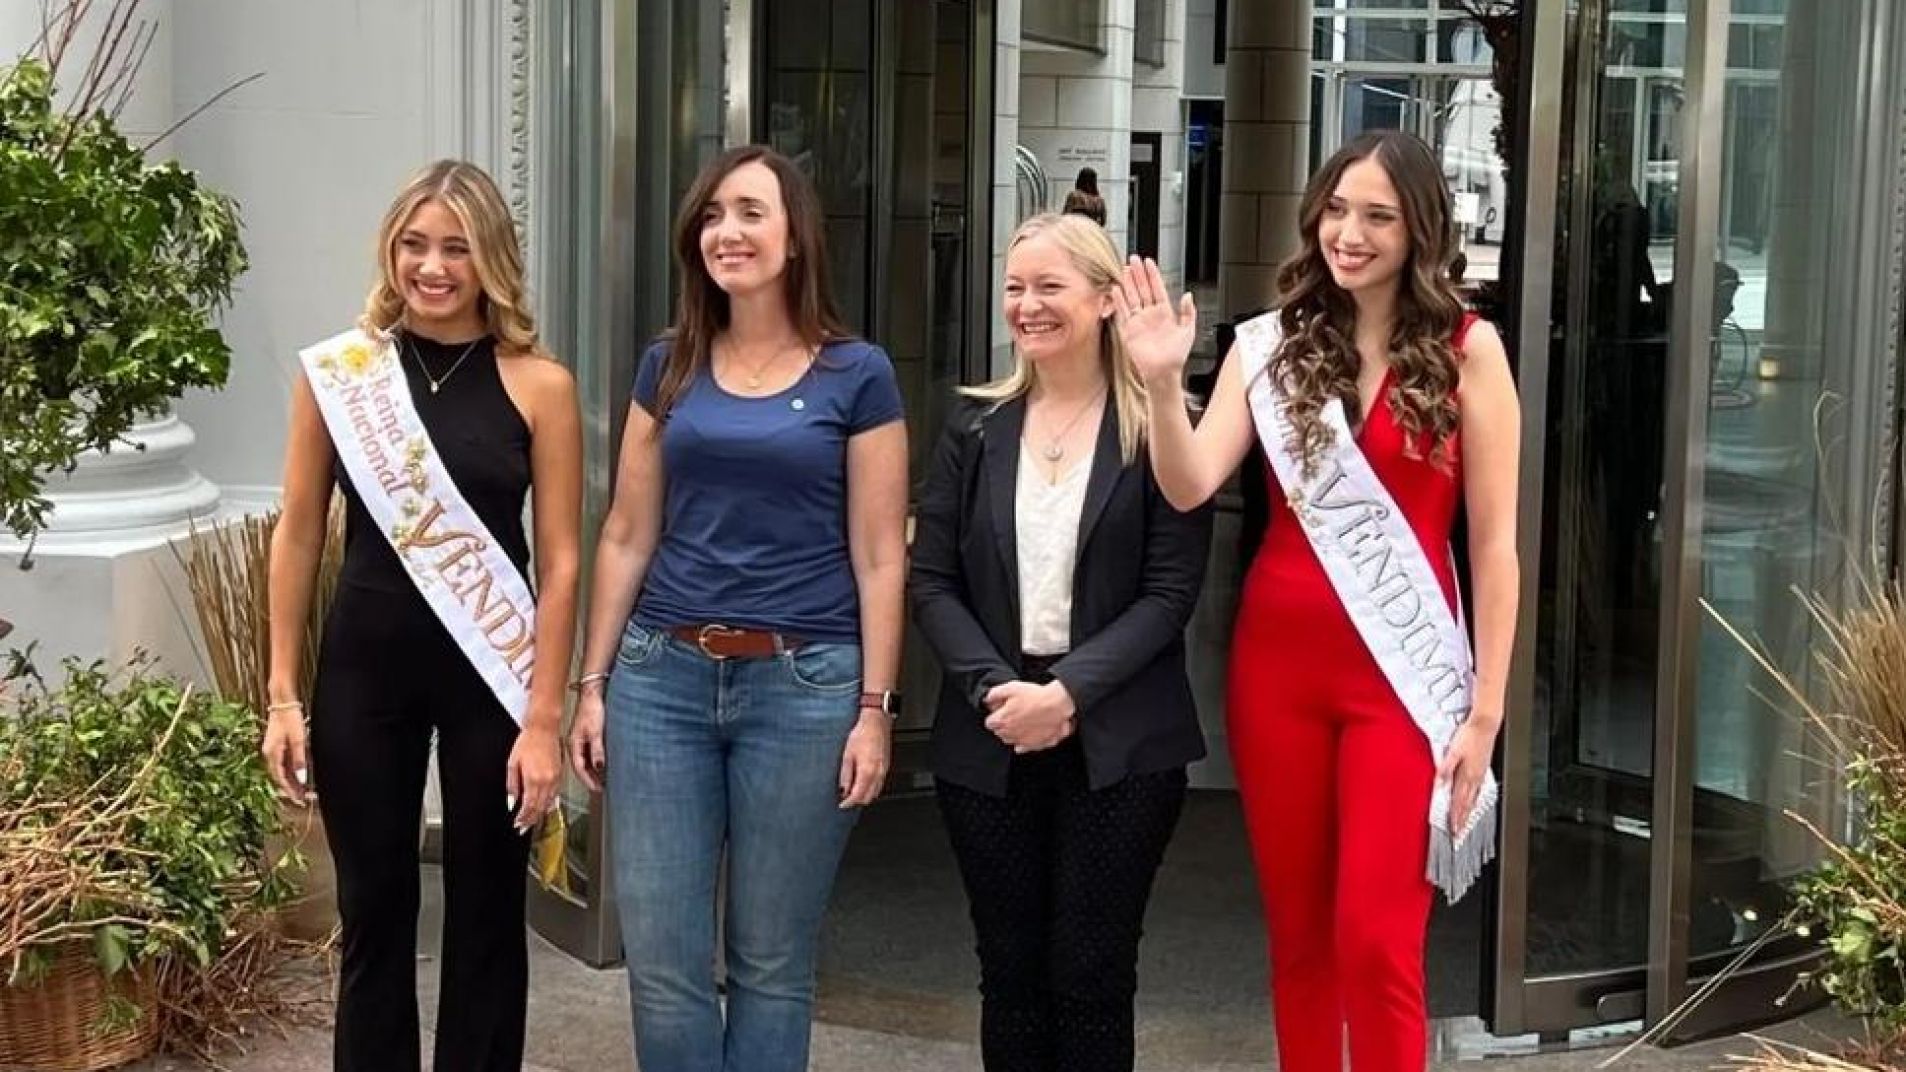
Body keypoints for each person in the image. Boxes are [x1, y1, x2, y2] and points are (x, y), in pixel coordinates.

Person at [1114, 128, 1520, 1071]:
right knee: (1299, 941)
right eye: (1337, 210)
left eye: (1378, 215)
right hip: (1278, 673)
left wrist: (1487, 708)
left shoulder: (1470, 351)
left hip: (1400, 682)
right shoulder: (1271, 346)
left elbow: (1495, 545)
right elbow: (1188, 484)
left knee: (1376, 941)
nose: (1351, 232)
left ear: (1419, 228)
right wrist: (1166, 381)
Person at [566, 145, 908, 1072]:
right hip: (659, 680)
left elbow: (880, 556)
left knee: (771, 958)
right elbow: (626, 533)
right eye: (714, 216)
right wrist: (590, 685)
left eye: (752, 212)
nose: (729, 233)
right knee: (666, 961)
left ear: (796, 237)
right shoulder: (666, 367)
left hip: (806, 687)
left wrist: (875, 711)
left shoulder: (858, 374)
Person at [262, 159, 583, 1072]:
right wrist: (284, 693)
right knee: (375, 912)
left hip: (494, 682)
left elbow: (560, 563)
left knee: (488, 913)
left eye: (456, 247)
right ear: (390, 251)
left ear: (492, 259)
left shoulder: (539, 385)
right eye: (414, 244)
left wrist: (546, 716)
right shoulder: (342, 376)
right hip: (364, 673)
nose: (432, 267)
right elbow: (295, 535)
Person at [911, 211, 1212, 1071]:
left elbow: (1169, 595)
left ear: (1107, 298)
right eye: (1015, 288)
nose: (1027, 306)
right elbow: (931, 580)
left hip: (1120, 743)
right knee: (1008, 976)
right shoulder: (973, 430)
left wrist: (1068, 694)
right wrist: (997, 693)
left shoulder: (1160, 427)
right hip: (992, 730)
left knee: (1091, 975)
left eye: (1049, 286)